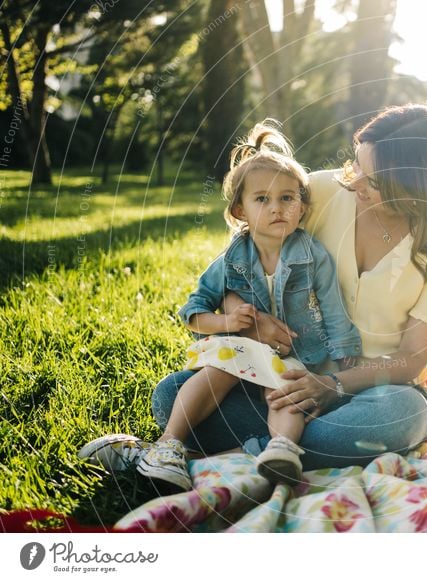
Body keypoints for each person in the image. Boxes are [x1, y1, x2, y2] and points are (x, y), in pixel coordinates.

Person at [80, 104, 427, 478]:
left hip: (372, 390)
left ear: (413, 186)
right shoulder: (319, 192)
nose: (354, 180)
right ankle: (278, 449)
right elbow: (242, 263)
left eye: (371, 179)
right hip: (285, 377)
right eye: (357, 163)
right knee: (172, 395)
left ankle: (206, 461)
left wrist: (333, 384)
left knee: (402, 419)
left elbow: (410, 358)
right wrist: (250, 321)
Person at [80, 121, 361, 490]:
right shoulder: (232, 260)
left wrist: (344, 354)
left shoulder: (313, 254)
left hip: (297, 354)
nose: (276, 208)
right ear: (240, 211)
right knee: (217, 371)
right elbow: (193, 312)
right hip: (243, 351)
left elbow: (332, 306)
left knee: (287, 394)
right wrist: (227, 321)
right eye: (262, 199)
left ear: (302, 207)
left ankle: (282, 450)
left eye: (287, 198)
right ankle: (169, 445)